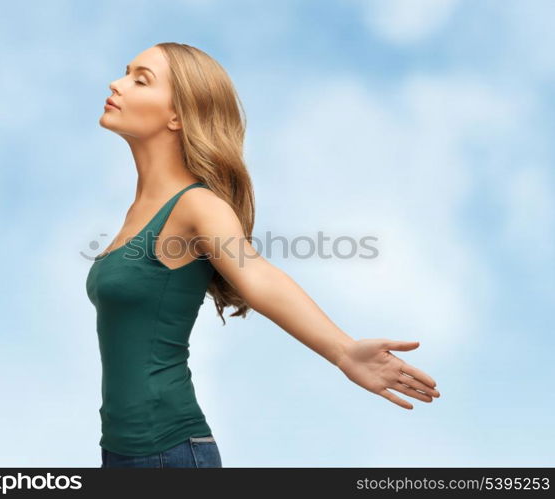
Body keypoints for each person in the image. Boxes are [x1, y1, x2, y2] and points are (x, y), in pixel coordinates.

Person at [87, 42, 440, 469]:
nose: (117, 83)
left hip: (168, 453)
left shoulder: (196, 206)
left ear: (178, 115)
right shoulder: (139, 211)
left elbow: (258, 277)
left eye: (140, 79)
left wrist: (344, 352)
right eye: (126, 73)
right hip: (121, 453)